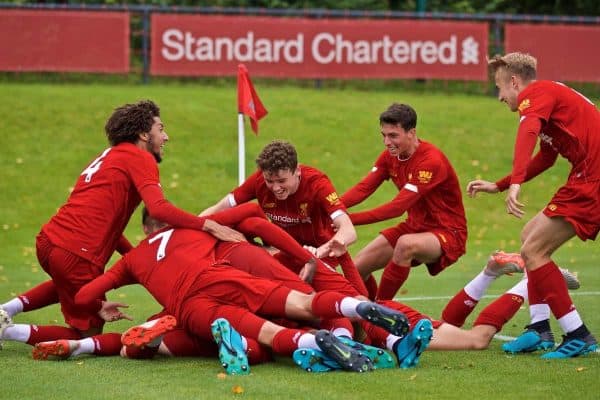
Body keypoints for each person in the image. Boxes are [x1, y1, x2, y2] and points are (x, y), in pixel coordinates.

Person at [29, 99, 245, 342]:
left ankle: (8, 311)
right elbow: (158, 208)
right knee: (86, 335)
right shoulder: (140, 158)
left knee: (69, 288)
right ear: (144, 134)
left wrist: (137, 257)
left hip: (49, 241)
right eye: (160, 129)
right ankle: (9, 330)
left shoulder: (109, 155)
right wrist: (208, 224)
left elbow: (103, 223)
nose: (166, 137)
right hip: (76, 253)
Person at [466, 52, 599, 358]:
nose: (499, 96)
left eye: (500, 87)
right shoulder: (550, 97)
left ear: (515, 82)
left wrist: (515, 185)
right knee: (529, 237)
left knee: (534, 251)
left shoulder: (536, 94)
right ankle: (539, 329)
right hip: (586, 176)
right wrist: (500, 184)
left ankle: (577, 334)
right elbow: (546, 158)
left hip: (593, 178)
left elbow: (527, 132)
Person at [201, 139, 368, 296]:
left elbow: (348, 231)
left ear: (297, 171)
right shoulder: (259, 181)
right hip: (284, 253)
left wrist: (319, 252)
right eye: (270, 181)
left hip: (319, 255)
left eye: (281, 181)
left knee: (342, 301)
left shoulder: (317, 184)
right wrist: (190, 229)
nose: (276, 188)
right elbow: (219, 209)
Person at [340, 103, 467, 300]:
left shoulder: (430, 161)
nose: (386, 142)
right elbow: (363, 188)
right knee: (356, 269)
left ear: (412, 132)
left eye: (393, 136)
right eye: (383, 135)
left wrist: (347, 220)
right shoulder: (390, 156)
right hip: (414, 226)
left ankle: (381, 311)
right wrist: (331, 208)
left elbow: (396, 208)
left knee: (405, 244)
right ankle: (365, 319)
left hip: (448, 232)